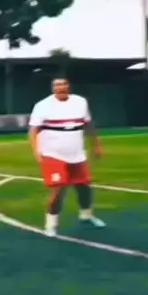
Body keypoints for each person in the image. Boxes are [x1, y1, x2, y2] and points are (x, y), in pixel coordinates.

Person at [28, 77, 106, 237]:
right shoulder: (43, 105)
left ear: (68, 86)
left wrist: (96, 145)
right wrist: (36, 151)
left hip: (77, 154)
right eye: (57, 85)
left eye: (63, 84)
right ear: (53, 88)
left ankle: (86, 217)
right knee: (59, 189)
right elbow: (33, 130)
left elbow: (88, 124)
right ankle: (51, 225)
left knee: (84, 187)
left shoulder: (80, 102)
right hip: (52, 154)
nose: (61, 87)